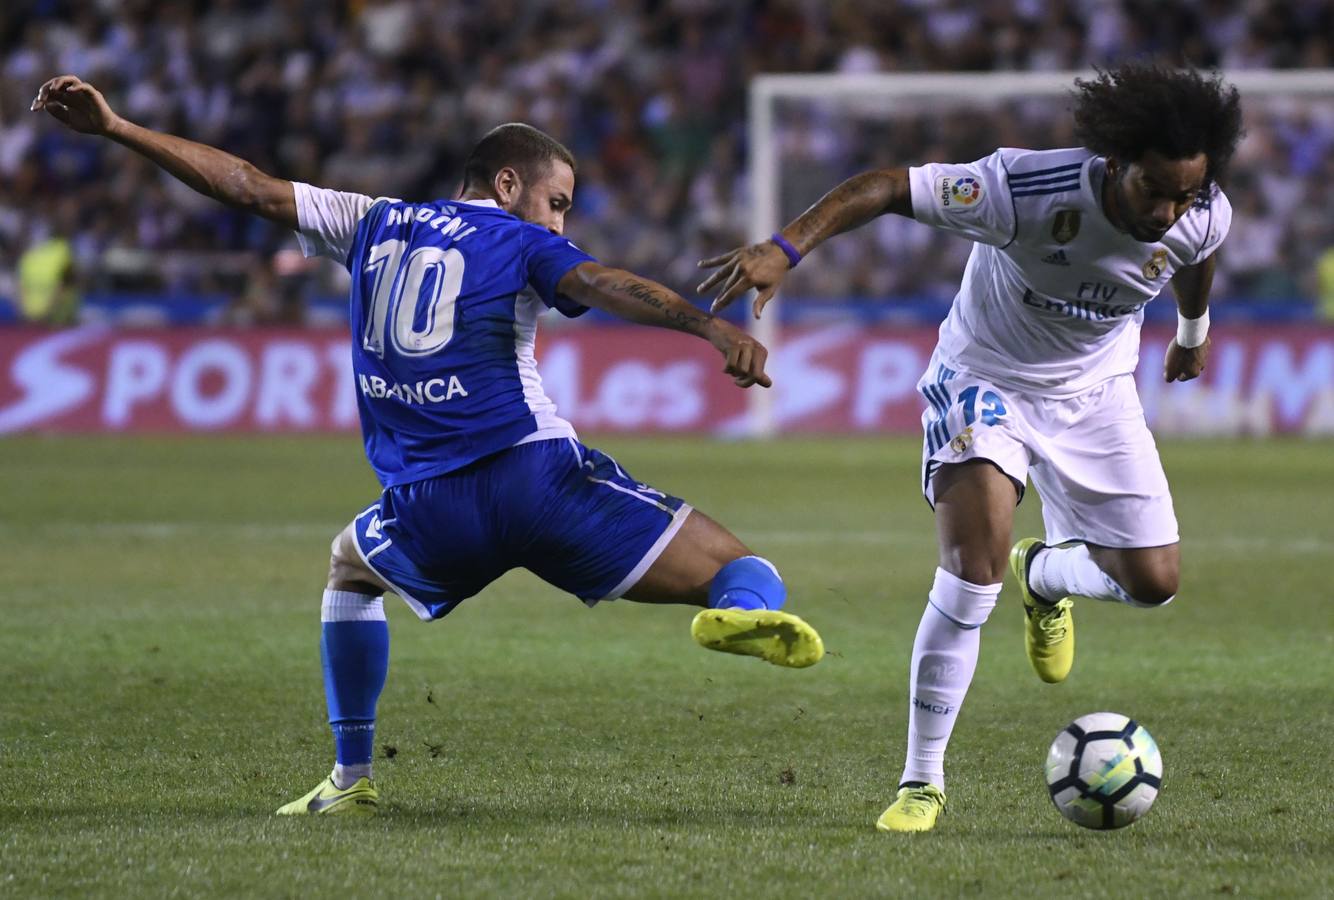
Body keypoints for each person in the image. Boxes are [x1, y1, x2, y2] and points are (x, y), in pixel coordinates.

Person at [33, 74, 824, 817]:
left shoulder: (370, 220)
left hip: (430, 509)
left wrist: (118, 127)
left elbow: (244, 183)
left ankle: (350, 778)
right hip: (538, 481)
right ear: (507, 184)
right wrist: (707, 325)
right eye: (556, 202)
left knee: (349, 569)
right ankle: (738, 613)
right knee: (741, 568)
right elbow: (599, 283)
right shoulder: (524, 244)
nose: (559, 223)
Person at [698, 63, 1241, 833]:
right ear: (1115, 162)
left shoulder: (1202, 211)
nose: (1167, 210)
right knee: (971, 572)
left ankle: (1043, 575)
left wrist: (1192, 330)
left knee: (1154, 583)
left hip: (1097, 395)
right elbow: (887, 186)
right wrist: (788, 246)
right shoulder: (1024, 190)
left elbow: (1196, 252)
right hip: (986, 380)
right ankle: (921, 782)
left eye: (1183, 195)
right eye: (1154, 190)